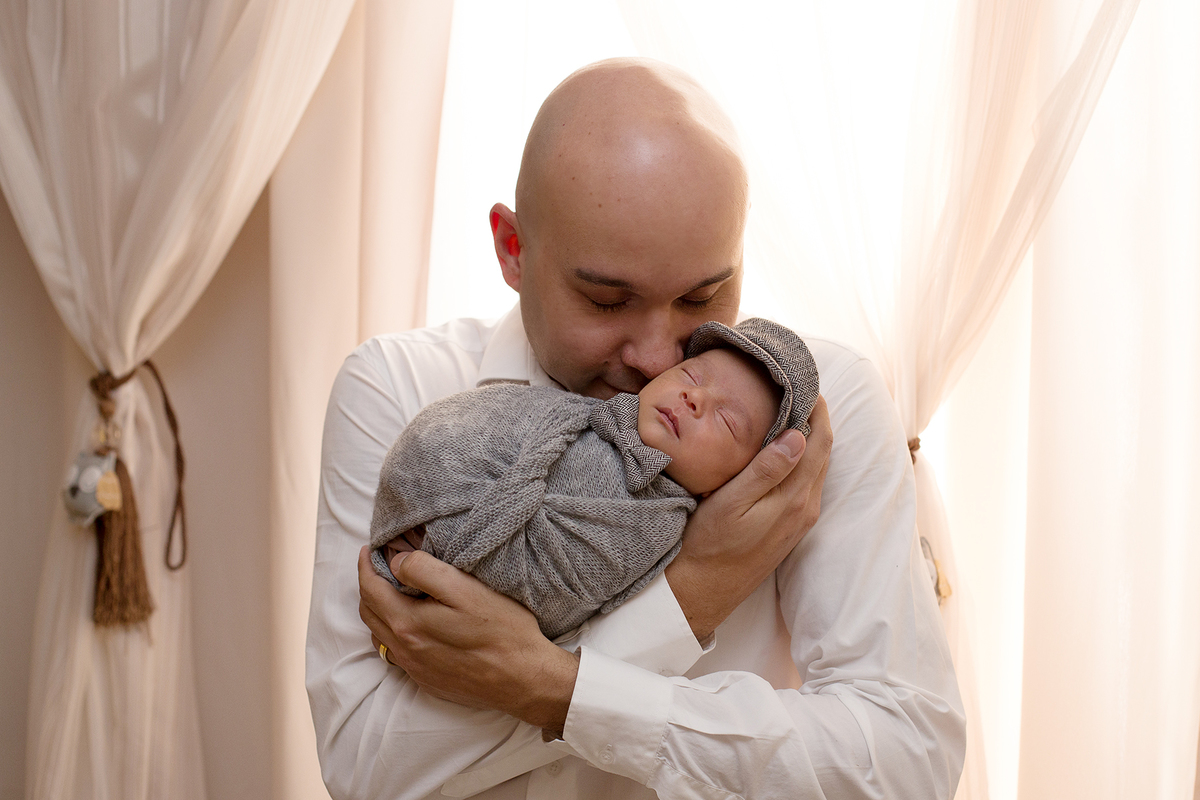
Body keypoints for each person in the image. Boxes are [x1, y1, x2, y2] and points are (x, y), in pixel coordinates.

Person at [308, 57, 965, 800]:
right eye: (608, 301)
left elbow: (908, 763)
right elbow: (365, 770)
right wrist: (691, 595)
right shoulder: (396, 390)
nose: (659, 358)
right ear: (511, 249)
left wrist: (554, 686)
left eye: (702, 296)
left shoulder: (817, 409)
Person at [369, 318, 820, 639]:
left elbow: (557, 593)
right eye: (691, 374)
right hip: (420, 505)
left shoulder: (654, 522)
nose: (694, 397)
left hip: (443, 550)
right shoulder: (579, 410)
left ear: (734, 483)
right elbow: (481, 421)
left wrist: (447, 546)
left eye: (726, 420)